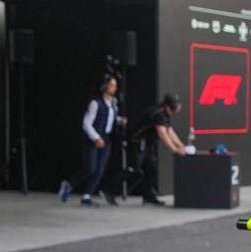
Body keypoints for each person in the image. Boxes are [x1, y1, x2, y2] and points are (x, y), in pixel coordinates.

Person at [61, 75, 124, 206]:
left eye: (115, 85)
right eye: (112, 85)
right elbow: (86, 123)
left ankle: (87, 196)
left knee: (100, 170)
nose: (115, 88)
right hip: (93, 138)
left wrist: (119, 120)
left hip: (106, 139)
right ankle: (69, 184)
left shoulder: (113, 102)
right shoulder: (95, 103)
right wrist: (96, 137)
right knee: (90, 168)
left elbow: (110, 117)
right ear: (105, 86)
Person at [127, 94, 184, 205]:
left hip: (148, 141)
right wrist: (175, 150)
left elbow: (170, 132)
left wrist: (181, 146)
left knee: (152, 168)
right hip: (137, 140)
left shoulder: (166, 114)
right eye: (173, 110)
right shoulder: (158, 114)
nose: (173, 113)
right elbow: (163, 134)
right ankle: (110, 189)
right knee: (135, 169)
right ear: (167, 107)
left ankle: (148, 196)